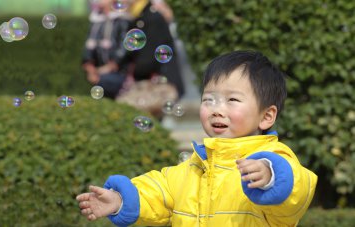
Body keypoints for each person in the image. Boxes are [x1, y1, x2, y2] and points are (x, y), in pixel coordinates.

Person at [76, 50, 318, 226]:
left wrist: (270, 176)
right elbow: (156, 191)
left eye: (232, 100)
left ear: (267, 116)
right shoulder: (191, 168)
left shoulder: (273, 160)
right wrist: (119, 200)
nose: (217, 109)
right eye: (208, 99)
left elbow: (299, 188)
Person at [82, 0, 131, 99]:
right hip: (98, 73)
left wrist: (108, 68)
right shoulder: (96, 21)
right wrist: (90, 68)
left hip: (119, 73)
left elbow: (124, 48)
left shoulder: (122, 20)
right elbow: (89, 46)